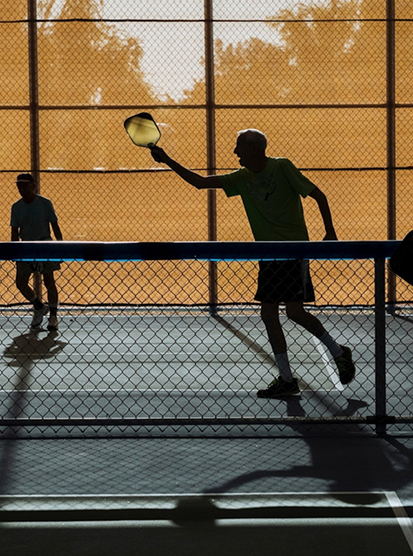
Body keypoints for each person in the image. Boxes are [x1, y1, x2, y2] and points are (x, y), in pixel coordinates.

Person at [150, 129, 355, 398]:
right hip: (268, 256)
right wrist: (167, 160)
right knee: (269, 315)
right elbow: (199, 183)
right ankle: (286, 379)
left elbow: (319, 196)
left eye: (239, 147)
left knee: (294, 312)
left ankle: (338, 352)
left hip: (293, 252)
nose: (235, 152)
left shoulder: (282, 167)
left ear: (255, 149)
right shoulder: (242, 178)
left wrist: (330, 233)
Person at [10, 172, 64, 330]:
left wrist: (61, 248)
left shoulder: (45, 203)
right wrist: (16, 251)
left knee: (49, 280)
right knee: (20, 282)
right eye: (19, 186)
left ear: (33, 186)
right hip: (25, 248)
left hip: (45, 246)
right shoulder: (16, 207)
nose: (22, 189)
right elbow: (14, 232)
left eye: (25, 186)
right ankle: (39, 306)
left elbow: (55, 227)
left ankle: (53, 316)